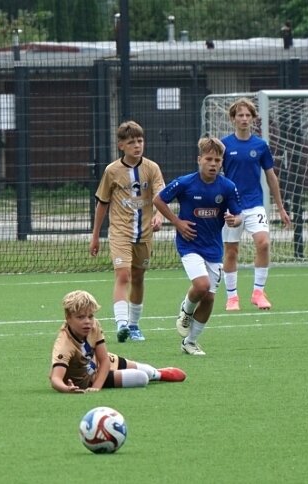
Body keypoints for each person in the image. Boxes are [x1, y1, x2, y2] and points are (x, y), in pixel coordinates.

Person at [153, 136, 242, 356]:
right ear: (199, 159)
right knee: (201, 286)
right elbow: (158, 199)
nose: (213, 164)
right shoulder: (185, 183)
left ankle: (190, 342)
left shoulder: (228, 187)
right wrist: (177, 222)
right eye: (209, 159)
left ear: (222, 162)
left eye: (218, 160)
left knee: (210, 298)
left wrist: (234, 220)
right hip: (189, 243)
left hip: (213, 248)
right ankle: (186, 311)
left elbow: (238, 215)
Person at [90, 121, 164, 343]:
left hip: (144, 234)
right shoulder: (112, 171)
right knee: (123, 275)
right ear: (121, 145)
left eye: (140, 141)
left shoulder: (152, 168)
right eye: (131, 142)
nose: (137, 146)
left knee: (139, 278)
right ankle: (121, 324)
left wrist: (159, 216)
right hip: (120, 232)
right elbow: (102, 203)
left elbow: (161, 196)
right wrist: (95, 236)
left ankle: (134, 325)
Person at [220, 98, 291, 312]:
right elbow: (214, 176)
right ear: (233, 119)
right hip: (231, 207)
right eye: (240, 115)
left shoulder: (260, 146)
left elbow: (271, 178)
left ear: (253, 119)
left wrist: (280, 207)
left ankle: (258, 292)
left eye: (247, 115)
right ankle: (232, 297)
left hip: (254, 205)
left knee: (263, 243)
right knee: (231, 251)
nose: (244, 119)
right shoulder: (224, 145)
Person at [49, 289, 186, 393]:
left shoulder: (94, 325)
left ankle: (159, 374)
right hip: (88, 378)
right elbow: (55, 379)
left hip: (101, 362)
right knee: (141, 378)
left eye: (90, 316)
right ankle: (154, 374)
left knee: (148, 372)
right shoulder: (64, 345)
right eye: (80, 317)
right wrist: (68, 389)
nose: (87, 322)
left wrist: (97, 388)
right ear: (68, 318)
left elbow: (104, 361)